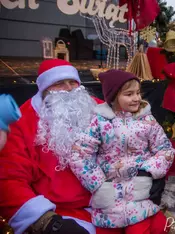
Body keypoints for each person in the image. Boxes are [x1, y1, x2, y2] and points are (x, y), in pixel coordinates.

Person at [0, 59, 108, 234]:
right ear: (44, 90)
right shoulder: (24, 121)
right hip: (61, 212)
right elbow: (9, 179)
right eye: (59, 83)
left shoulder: (96, 107)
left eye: (72, 82)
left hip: (111, 201)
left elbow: (131, 138)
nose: (69, 88)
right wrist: (47, 221)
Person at [70, 69, 175, 233]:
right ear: (113, 97)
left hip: (140, 191)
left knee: (142, 230)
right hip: (109, 195)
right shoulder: (99, 121)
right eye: (129, 94)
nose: (137, 98)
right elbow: (80, 155)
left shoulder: (147, 120)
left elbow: (165, 149)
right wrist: (98, 184)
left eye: (138, 93)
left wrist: (148, 172)